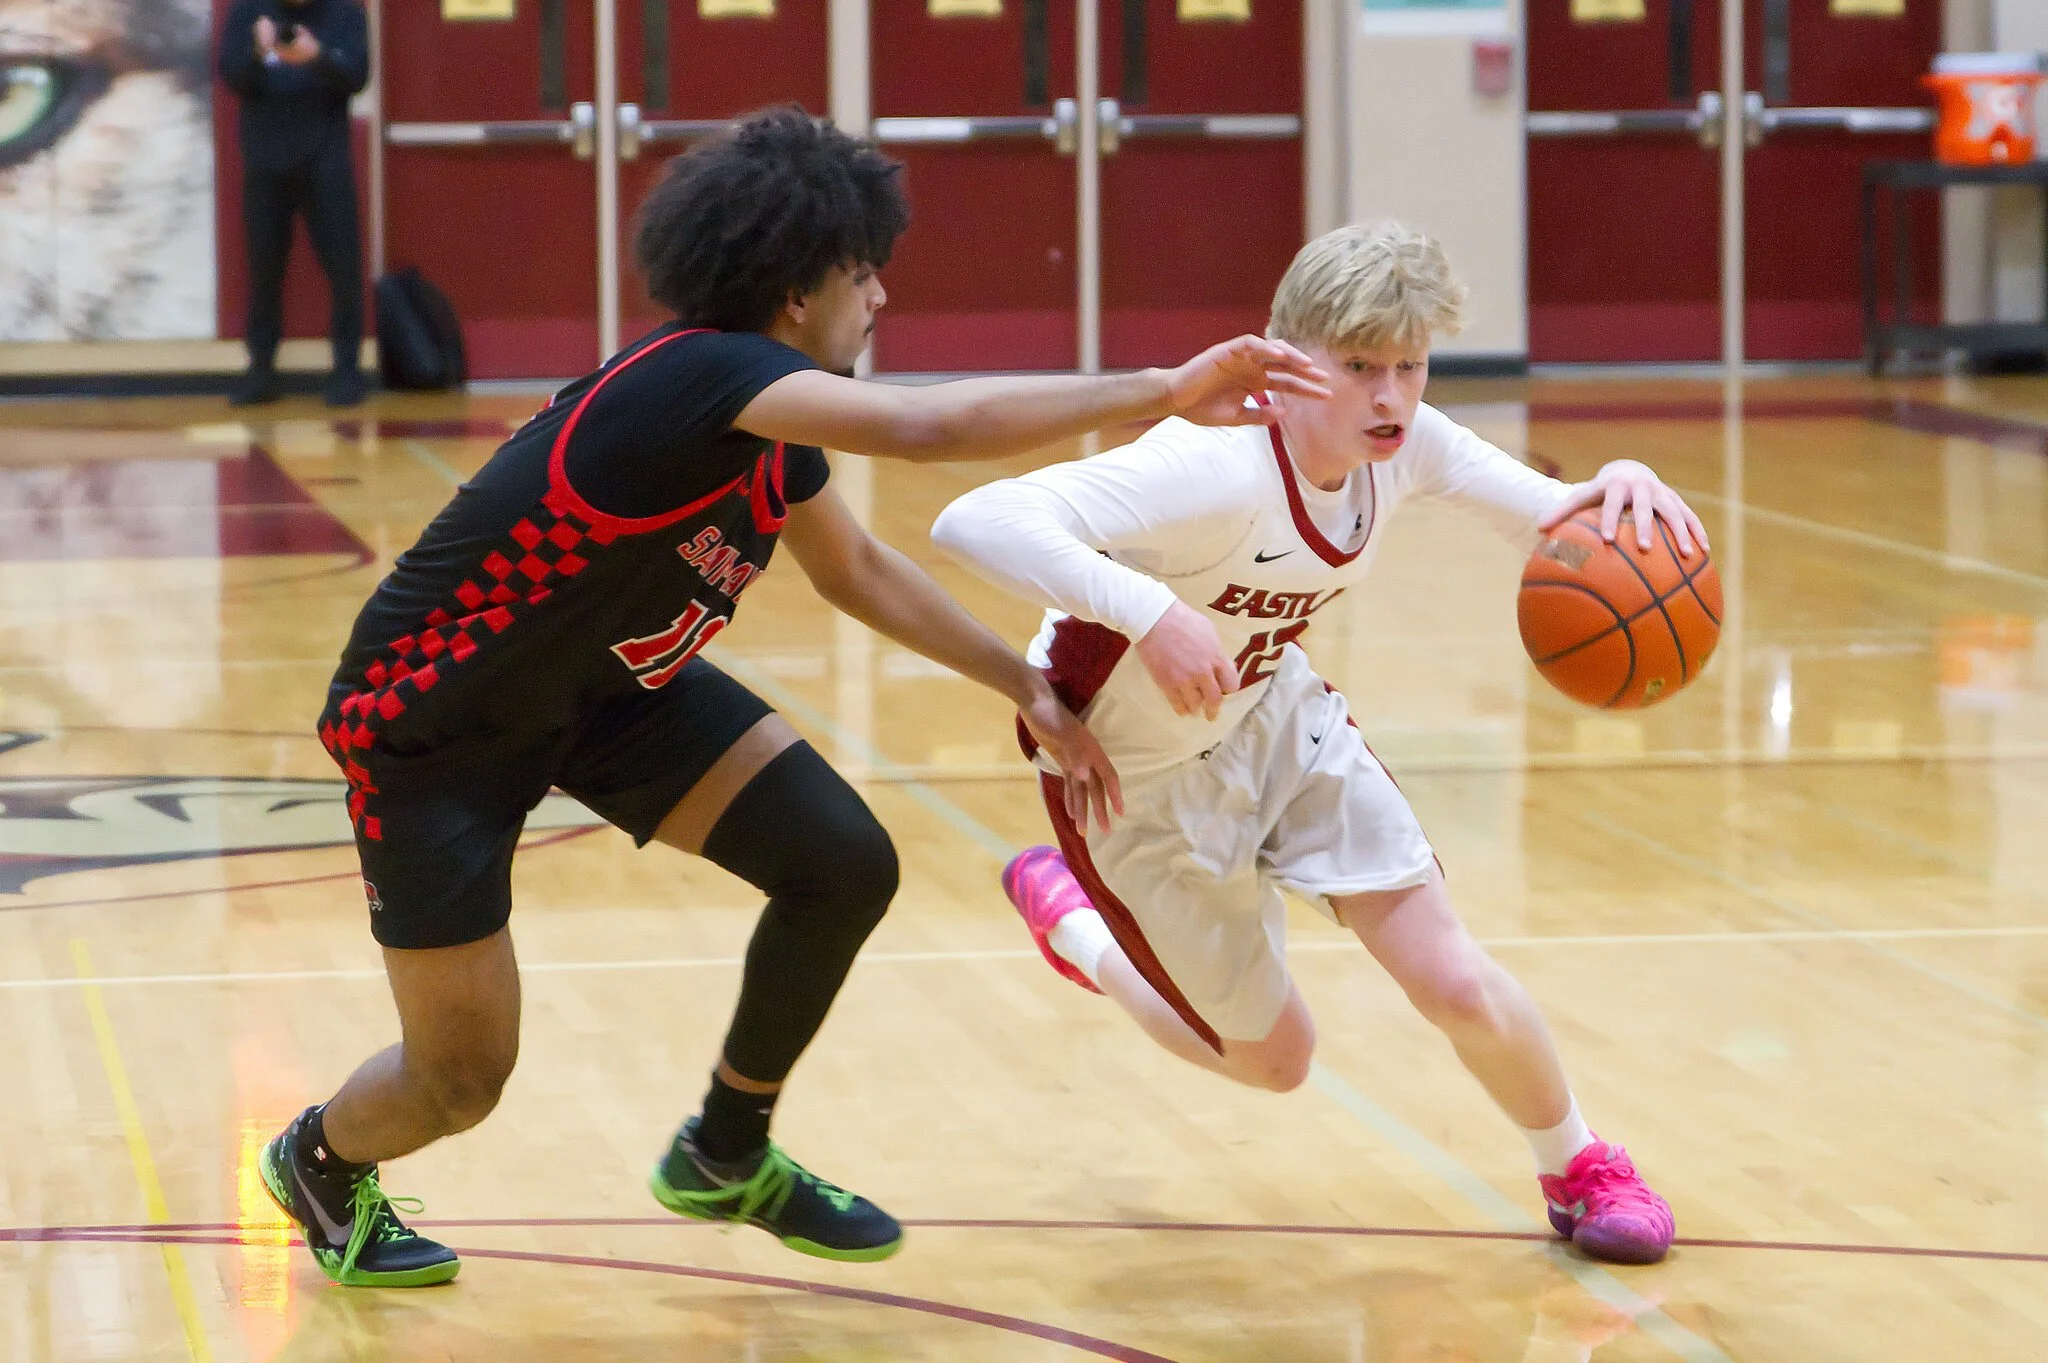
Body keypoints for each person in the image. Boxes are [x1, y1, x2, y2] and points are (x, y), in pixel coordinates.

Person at [256, 106, 1328, 1288]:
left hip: (611, 693)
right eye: (863, 272)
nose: (879, 298)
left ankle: (726, 1147)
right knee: (460, 1080)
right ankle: (317, 1157)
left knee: (841, 860)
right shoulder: (700, 377)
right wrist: (1162, 386)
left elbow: (857, 570)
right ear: (793, 285)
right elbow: (931, 426)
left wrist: (1023, 683)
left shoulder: (777, 425)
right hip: (434, 722)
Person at [931, 221, 1710, 1266]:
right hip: (1131, 777)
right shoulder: (1208, 467)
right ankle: (1081, 934)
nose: (1389, 396)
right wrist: (1148, 611)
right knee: (1274, 1061)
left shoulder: (1409, 442)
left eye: (1407, 365)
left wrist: (1617, 477)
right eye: (1358, 368)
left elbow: (1552, 519)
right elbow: (972, 520)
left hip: (1274, 720)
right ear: (1288, 359)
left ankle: (1579, 1166)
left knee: (1450, 978)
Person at [217, 0, 369, 407]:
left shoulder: (345, 14)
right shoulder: (249, 13)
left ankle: (347, 372)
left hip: (326, 161)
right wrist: (259, 51)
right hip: (265, 162)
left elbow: (357, 77)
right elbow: (232, 76)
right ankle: (261, 371)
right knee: (264, 269)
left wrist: (315, 56)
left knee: (343, 267)